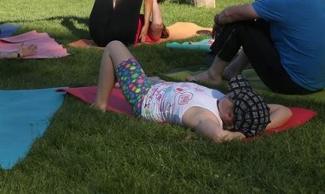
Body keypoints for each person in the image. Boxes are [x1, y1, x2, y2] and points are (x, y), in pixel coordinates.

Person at [93, 40, 291, 142]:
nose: (230, 92)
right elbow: (284, 110)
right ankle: (138, 80)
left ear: (229, 115)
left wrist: (239, 135)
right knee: (140, 75)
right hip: (161, 87)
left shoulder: (205, 117)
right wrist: (255, 127)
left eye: (233, 96)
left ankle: (100, 104)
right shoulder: (234, 108)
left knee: (114, 46)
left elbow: (219, 137)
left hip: (144, 95)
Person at [189, 0, 325, 94]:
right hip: (316, 82)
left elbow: (229, 14)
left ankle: (213, 75)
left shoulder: (282, 2)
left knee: (239, 24)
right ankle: (233, 70)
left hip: (292, 84)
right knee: (259, 22)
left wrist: (218, 20)